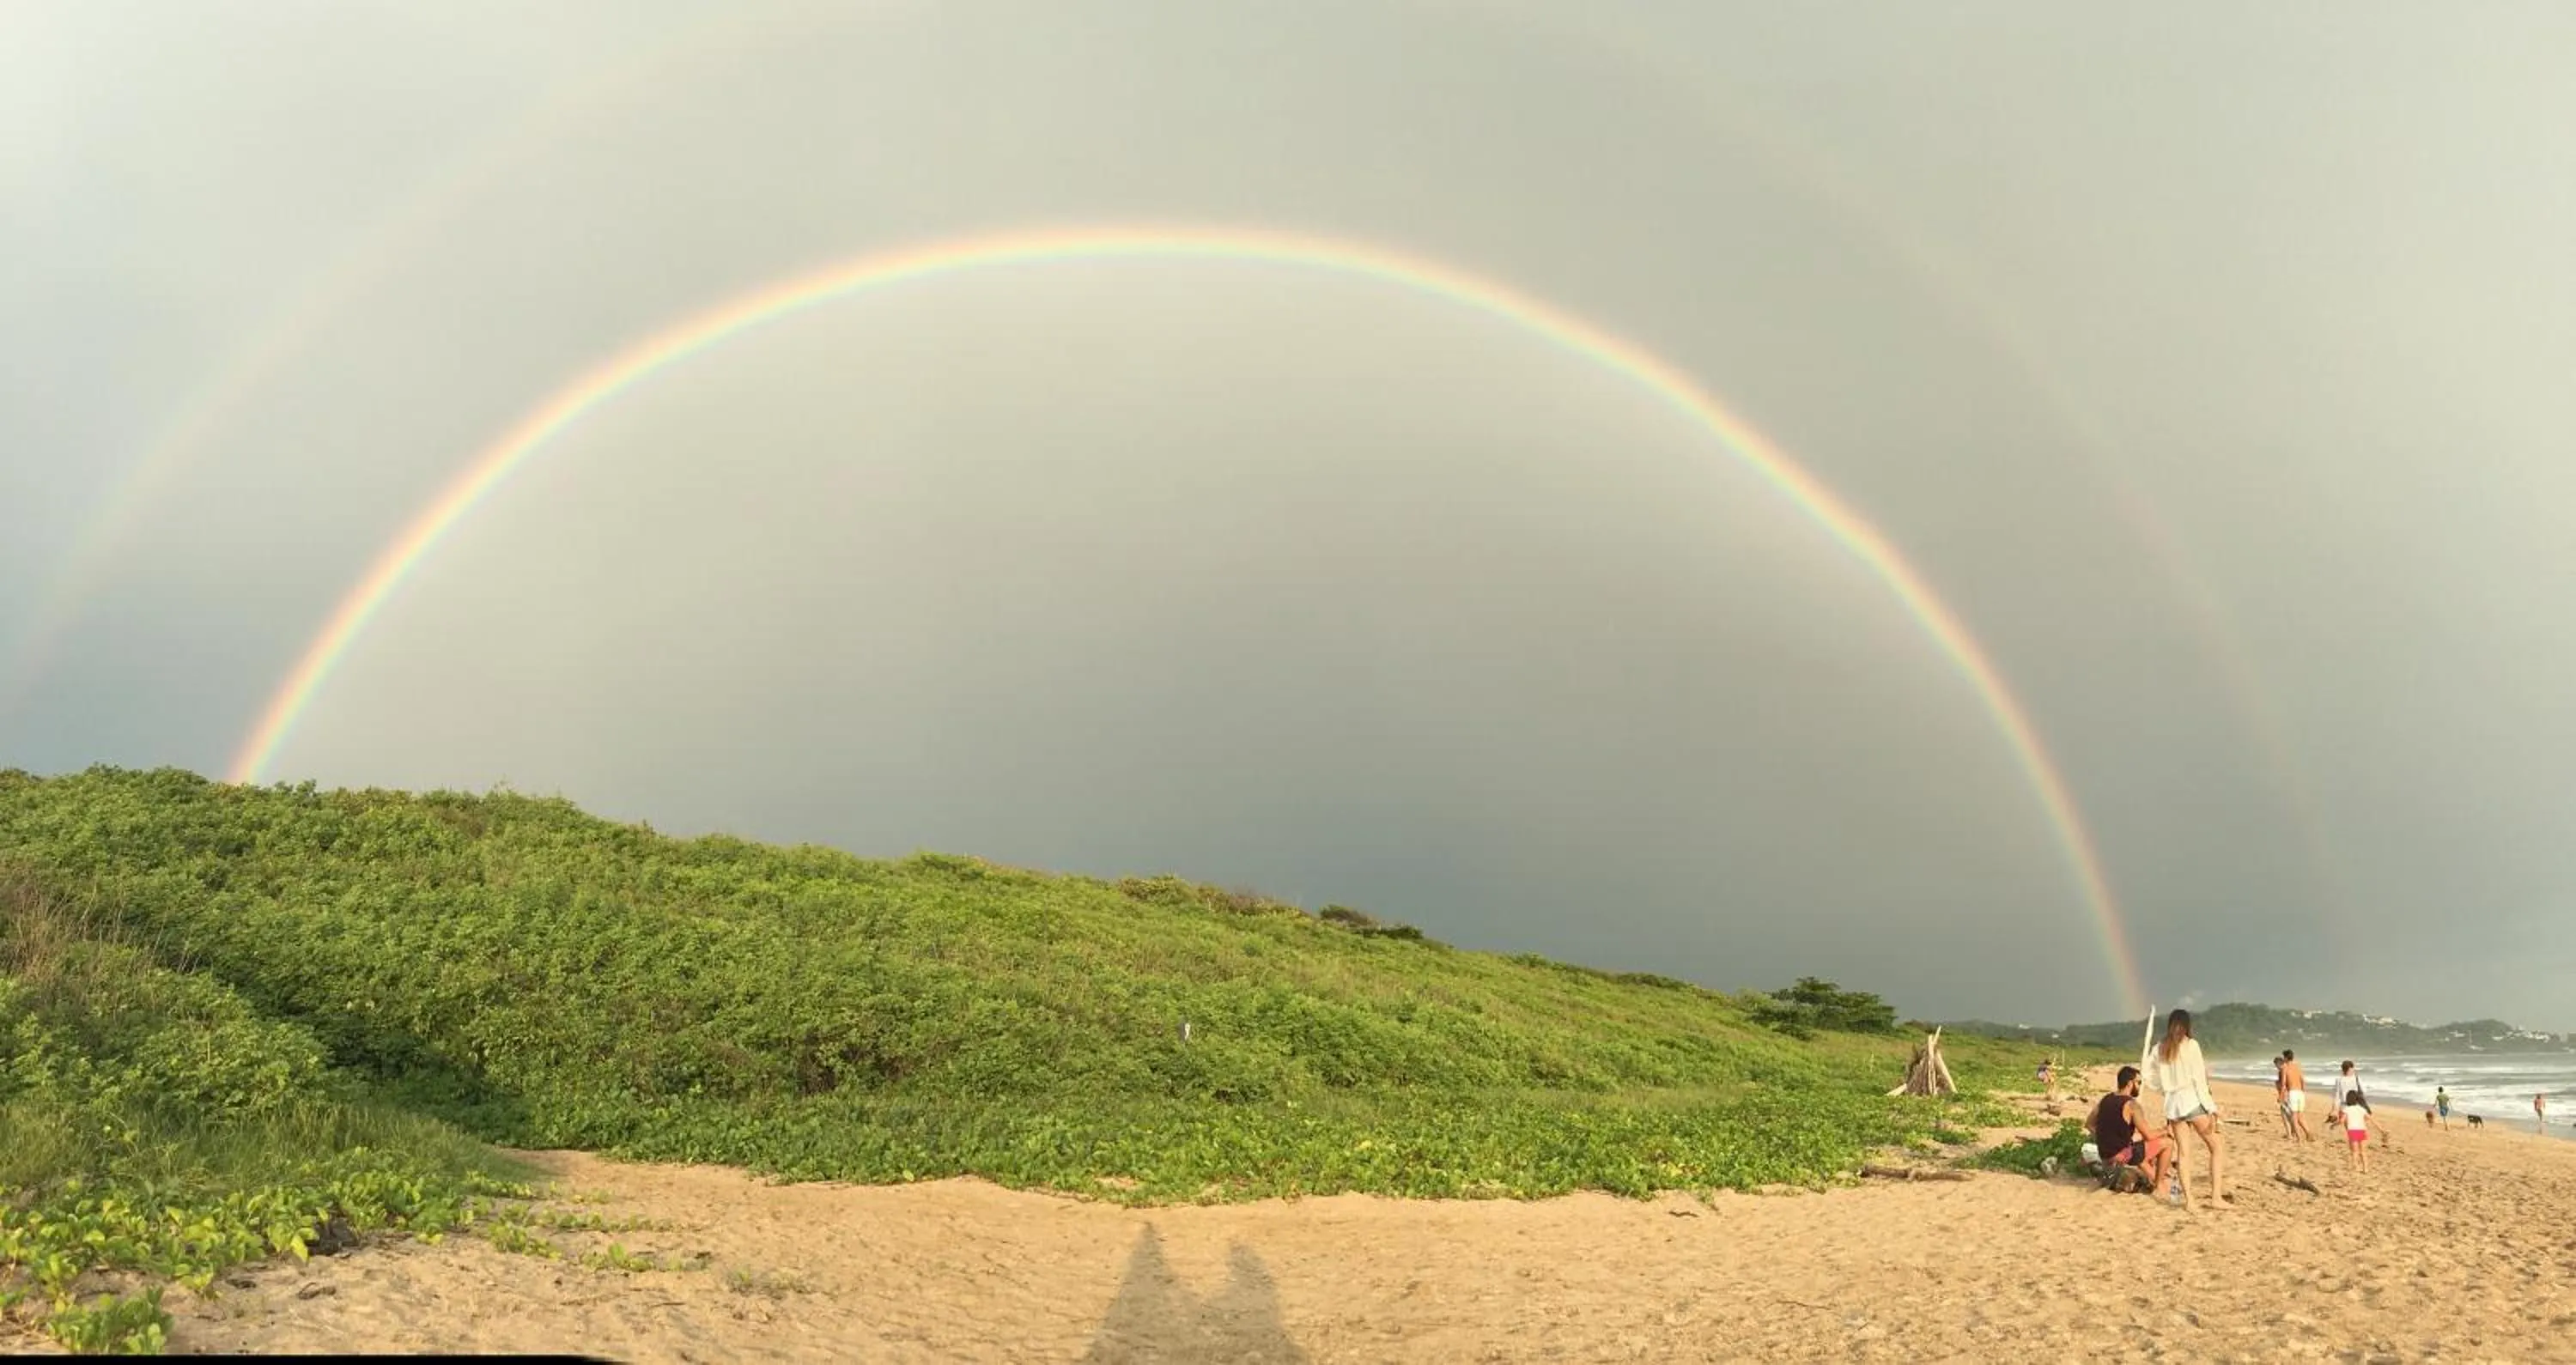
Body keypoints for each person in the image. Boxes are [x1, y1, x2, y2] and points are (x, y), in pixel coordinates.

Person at [2146, 1007, 2227, 1207]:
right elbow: (2199, 1080)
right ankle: (2216, 1197)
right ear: (2187, 1025)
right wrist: (2212, 1108)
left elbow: (2147, 1076)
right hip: (2192, 1100)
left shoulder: (2159, 1047)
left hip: (2173, 1105)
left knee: (2184, 1153)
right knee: (2216, 1147)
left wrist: (2165, 1090)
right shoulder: (2191, 1045)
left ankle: (2190, 1201)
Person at [2087, 1065, 2176, 1195]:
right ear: (2130, 1083)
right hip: (2123, 1155)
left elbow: (2089, 1124)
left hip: (2106, 1157)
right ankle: (2159, 1183)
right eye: (2139, 1082)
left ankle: (2156, 1179)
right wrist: (2166, 1130)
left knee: (2139, 1150)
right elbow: (2149, 1135)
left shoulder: (2105, 1100)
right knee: (2167, 1143)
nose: (2140, 1086)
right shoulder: (2131, 1105)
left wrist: (2105, 1138)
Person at [2332, 1087, 2372, 1172]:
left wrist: (2334, 1125)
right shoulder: (2361, 1109)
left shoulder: (2347, 1109)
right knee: (2363, 1151)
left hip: (2353, 1131)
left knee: (2354, 1151)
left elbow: (2342, 1121)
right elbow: (2368, 1118)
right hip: (2362, 1130)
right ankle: (2365, 1168)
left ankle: (2356, 1167)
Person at [2279, 1049, 2313, 1143]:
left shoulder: (2285, 1068)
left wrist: (2281, 1096)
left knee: (2293, 1117)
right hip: (2300, 1093)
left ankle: (2299, 1138)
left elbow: (2283, 1084)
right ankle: (2308, 1133)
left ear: (2286, 1057)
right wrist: (2303, 1091)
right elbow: (2302, 1080)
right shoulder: (2298, 1066)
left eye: (2284, 1057)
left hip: (2292, 1092)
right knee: (2300, 1116)